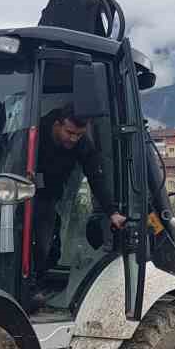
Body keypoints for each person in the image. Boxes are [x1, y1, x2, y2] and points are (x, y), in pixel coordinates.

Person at [28, 107, 127, 304]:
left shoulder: (83, 146)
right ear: (57, 125)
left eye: (79, 135)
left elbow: (96, 178)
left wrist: (112, 212)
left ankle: (34, 285)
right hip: (18, 192)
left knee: (43, 243)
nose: (73, 139)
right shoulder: (34, 135)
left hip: (48, 196)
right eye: (70, 133)